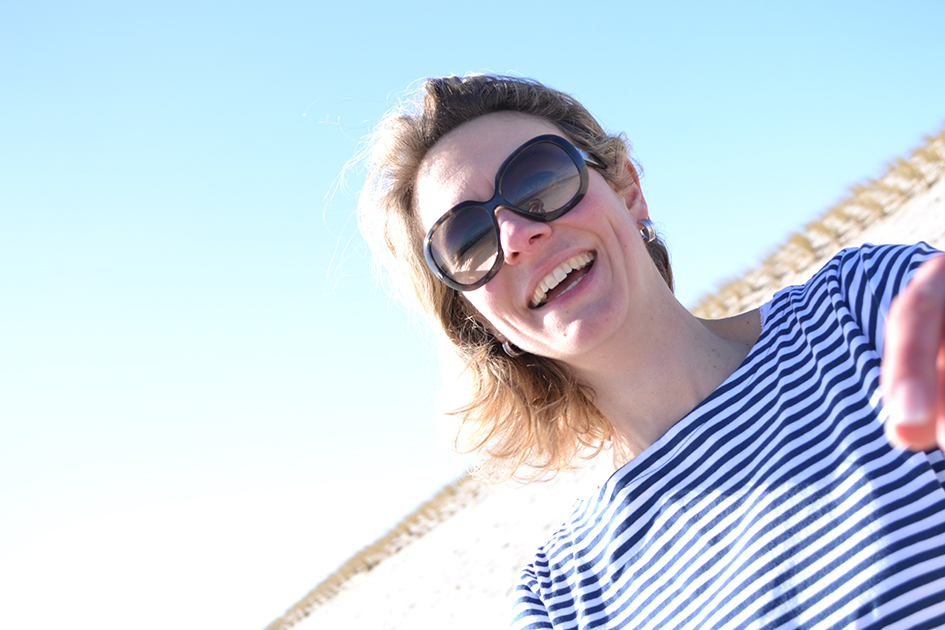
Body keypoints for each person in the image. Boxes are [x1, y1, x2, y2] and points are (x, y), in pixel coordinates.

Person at [357, 74, 945, 629]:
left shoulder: (867, 309)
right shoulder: (561, 600)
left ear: (628, 191)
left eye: (539, 179)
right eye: (468, 239)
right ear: (480, 321)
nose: (515, 235)